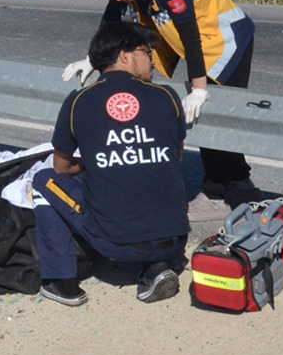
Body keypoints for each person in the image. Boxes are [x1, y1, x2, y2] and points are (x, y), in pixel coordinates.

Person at [62, 0, 260, 213]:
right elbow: (110, 20)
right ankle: (221, 188)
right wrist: (91, 59)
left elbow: (193, 39)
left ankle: (234, 189)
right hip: (190, 39)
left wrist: (199, 89)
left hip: (225, 40)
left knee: (217, 114)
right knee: (206, 117)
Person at [35, 20, 190, 307]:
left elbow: (61, 168)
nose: (153, 60)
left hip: (116, 246)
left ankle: (61, 280)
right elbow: (174, 156)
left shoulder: (79, 101)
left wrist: (97, 163)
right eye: (147, 51)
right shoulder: (167, 96)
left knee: (44, 182)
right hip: (176, 240)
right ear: (125, 55)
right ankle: (155, 267)